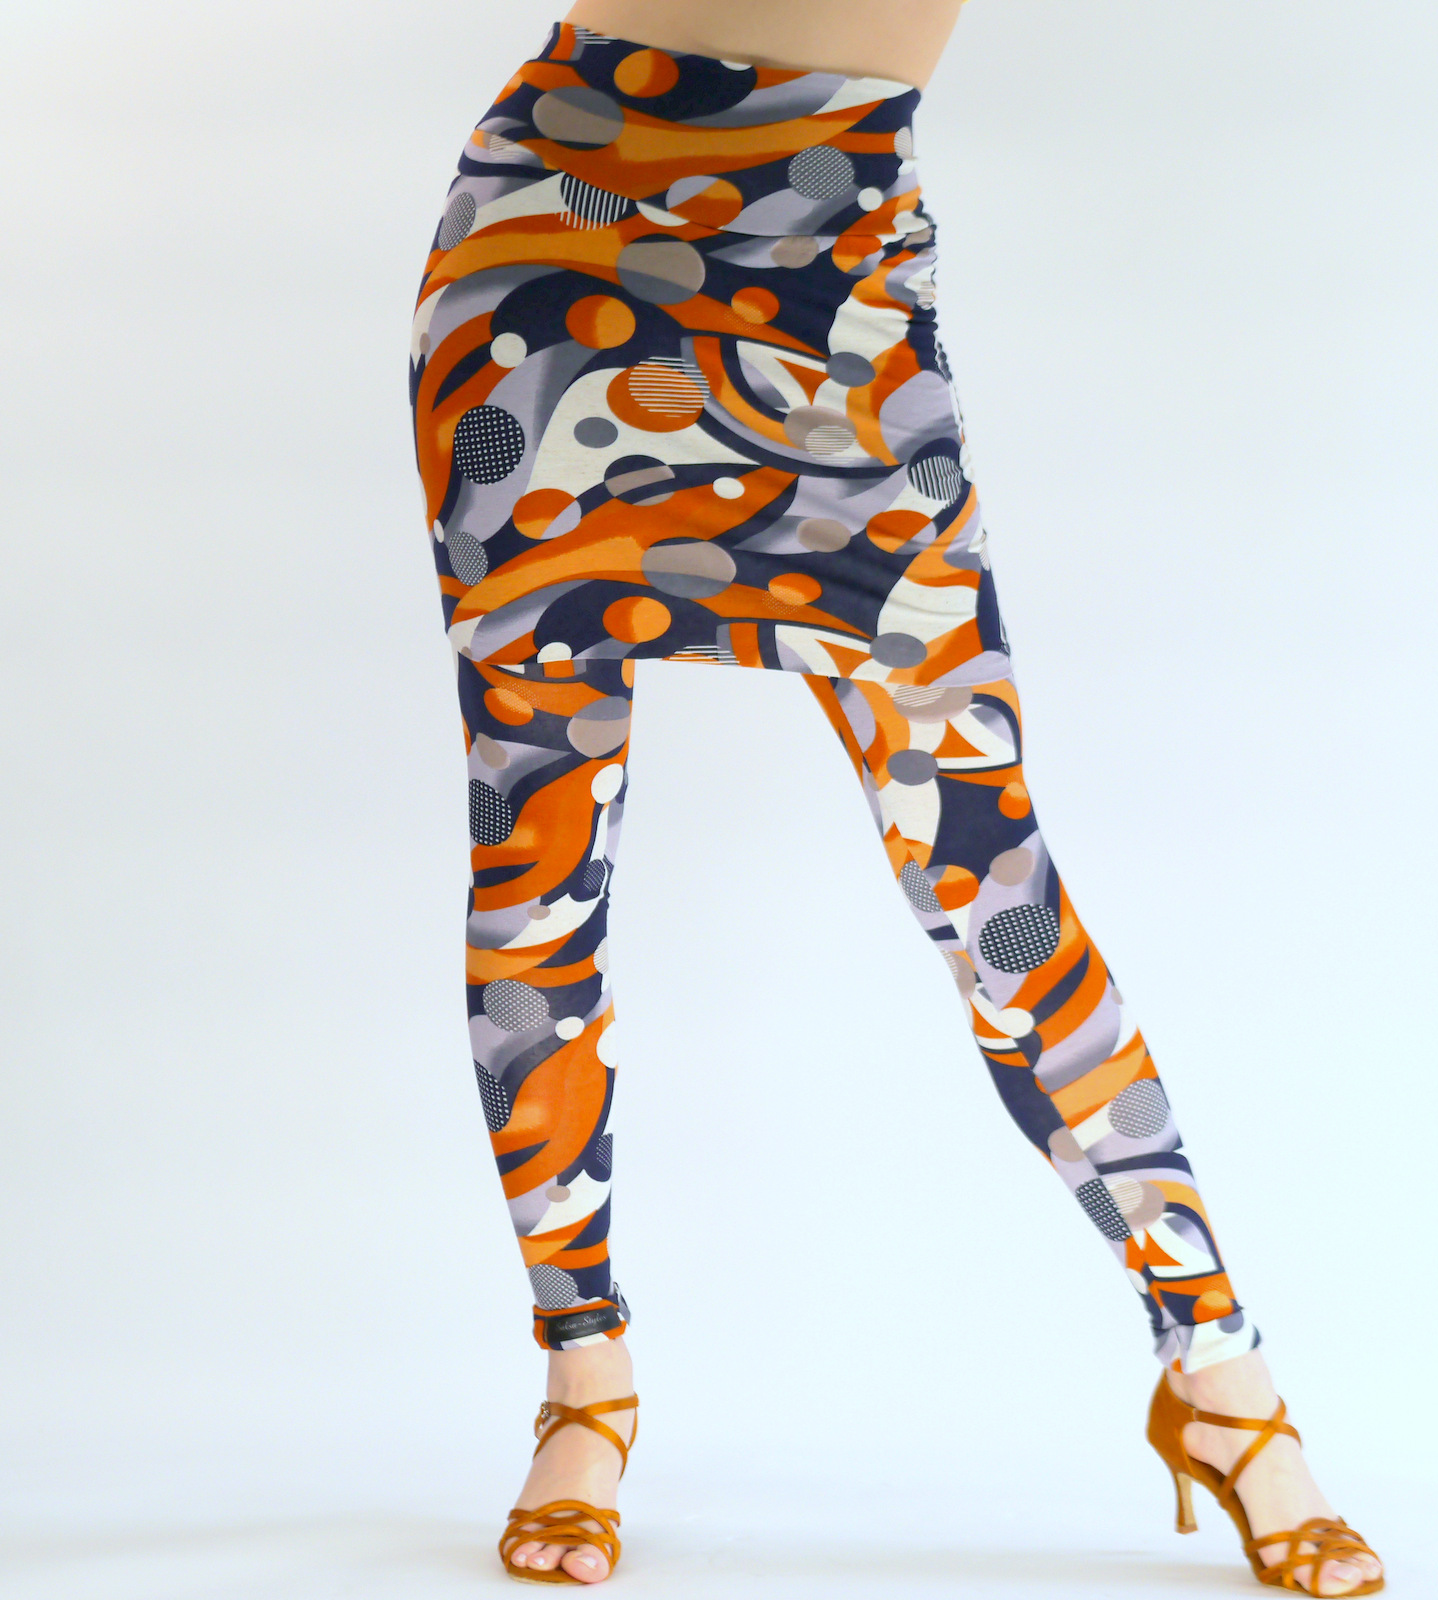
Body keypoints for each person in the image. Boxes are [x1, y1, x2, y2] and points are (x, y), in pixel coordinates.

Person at [408, 3, 1385, 1592]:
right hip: (553, 239)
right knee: (540, 853)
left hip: (838, 284)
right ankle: (585, 1375)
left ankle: (1220, 1374)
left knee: (988, 872)